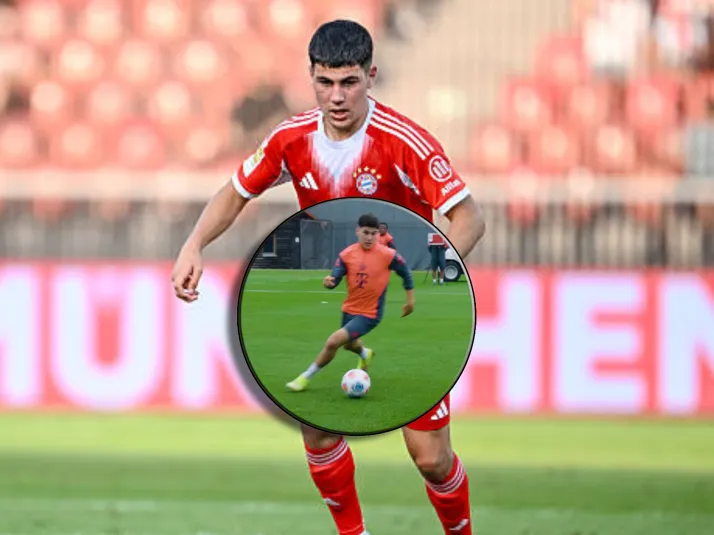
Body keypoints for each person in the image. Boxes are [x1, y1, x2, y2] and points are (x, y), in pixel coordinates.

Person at [171, 19, 486, 535]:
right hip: (338, 303)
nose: (336, 96)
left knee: (430, 458)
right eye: (325, 82)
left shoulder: (403, 142)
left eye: (349, 82)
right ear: (312, 77)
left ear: (370, 76)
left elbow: (469, 217)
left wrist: (433, 276)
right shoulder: (292, 139)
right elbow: (235, 191)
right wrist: (194, 243)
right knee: (316, 427)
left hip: (406, 315)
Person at [287, 213, 414, 392]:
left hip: (371, 313)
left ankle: (305, 377)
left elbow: (406, 273)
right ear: (357, 231)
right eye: (366, 232)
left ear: (378, 234)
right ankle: (365, 354)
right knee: (349, 344)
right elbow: (335, 276)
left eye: (374, 233)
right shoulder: (346, 254)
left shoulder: (388, 254)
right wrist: (329, 282)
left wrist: (410, 301)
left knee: (333, 342)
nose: (369, 237)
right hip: (349, 309)